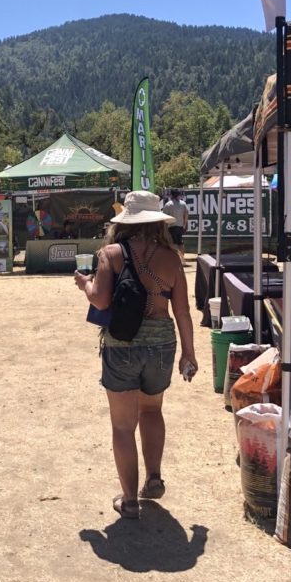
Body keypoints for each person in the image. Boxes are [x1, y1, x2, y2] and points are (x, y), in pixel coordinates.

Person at [74, 190, 197, 520]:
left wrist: (84, 283)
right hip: (162, 343)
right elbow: (182, 311)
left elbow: (100, 301)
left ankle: (129, 500)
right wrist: (189, 353)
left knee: (122, 426)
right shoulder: (172, 258)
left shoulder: (110, 253)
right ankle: (153, 477)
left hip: (122, 345)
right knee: (152, 410)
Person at [162, 189, 190, 258]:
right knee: (180, 242)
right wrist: (184, 225)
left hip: (172, 226)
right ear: (178, 195)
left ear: (171, 195)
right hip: (180, 226)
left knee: (173, 243)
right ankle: (182, 258)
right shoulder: (183, 204)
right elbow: (186, 214)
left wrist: (164, 228)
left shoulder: (168, 204)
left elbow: (164, 217)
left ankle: (176, 258)